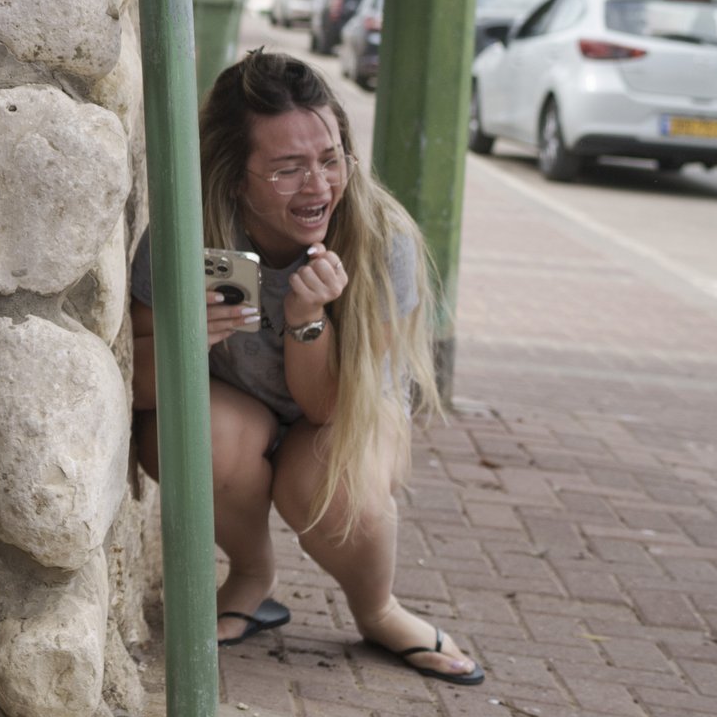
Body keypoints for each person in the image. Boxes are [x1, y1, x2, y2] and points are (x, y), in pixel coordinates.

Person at [130, 48, 481, 684]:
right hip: (239, 411)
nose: (319, 186)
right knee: (197, 436)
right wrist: (189, 343)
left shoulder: (382, 240)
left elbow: (329, 409)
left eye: (330, 159)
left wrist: (306, 318)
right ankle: (251, 572)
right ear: (237, 177)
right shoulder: (188, 235)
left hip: (343, 415)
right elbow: (139, 389)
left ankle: (377, 607)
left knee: (327, 485)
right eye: (288, 169)